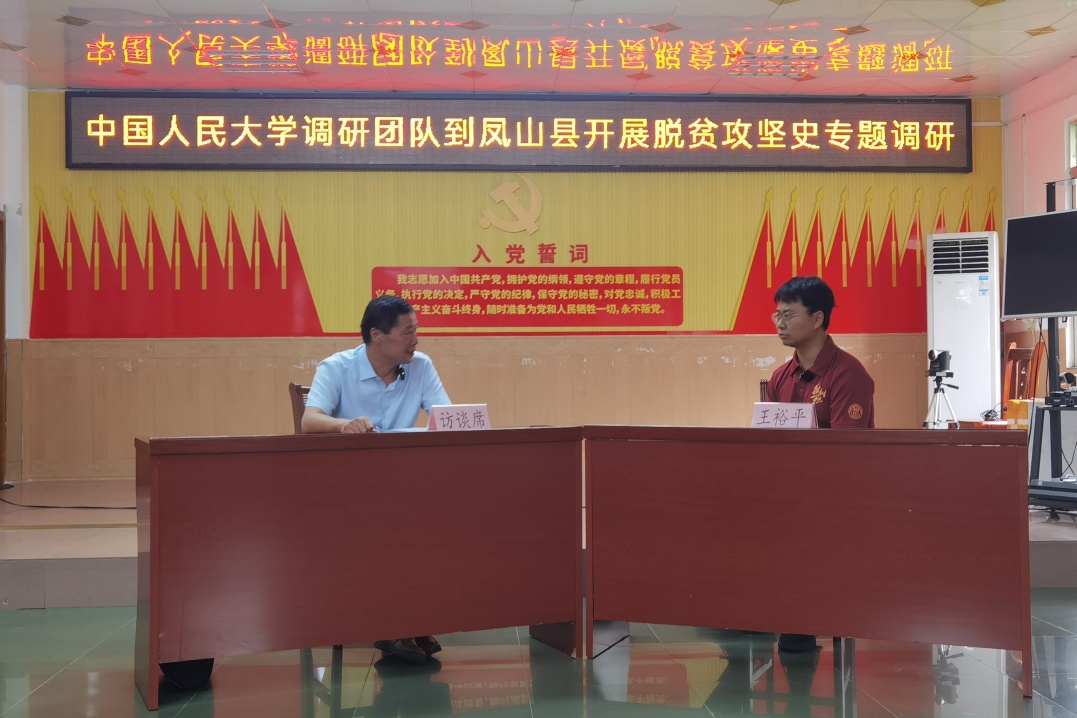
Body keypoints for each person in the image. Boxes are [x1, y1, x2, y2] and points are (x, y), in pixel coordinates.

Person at [302, 295, 450, 664]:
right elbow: (310, 420)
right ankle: (397, 623)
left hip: (403, 484)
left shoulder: (420, 367)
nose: (416, 340)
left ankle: (413, 618)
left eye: (416, 331)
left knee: (437, 517)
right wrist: (343, 425)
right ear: (377, 335)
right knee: (398, 523)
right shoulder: (336, 368)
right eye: (407, 333)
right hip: (348, 489)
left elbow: (445, 418)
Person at [765, 276, 875, 653]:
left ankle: (802, 617)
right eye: (777, 315)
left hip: (832, 499)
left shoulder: (848, 375)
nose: (780, 324)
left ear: (817, 319)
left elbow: (845, 454)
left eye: (788, 315)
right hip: (789, 493)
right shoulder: (780, 376)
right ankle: (751, 609)